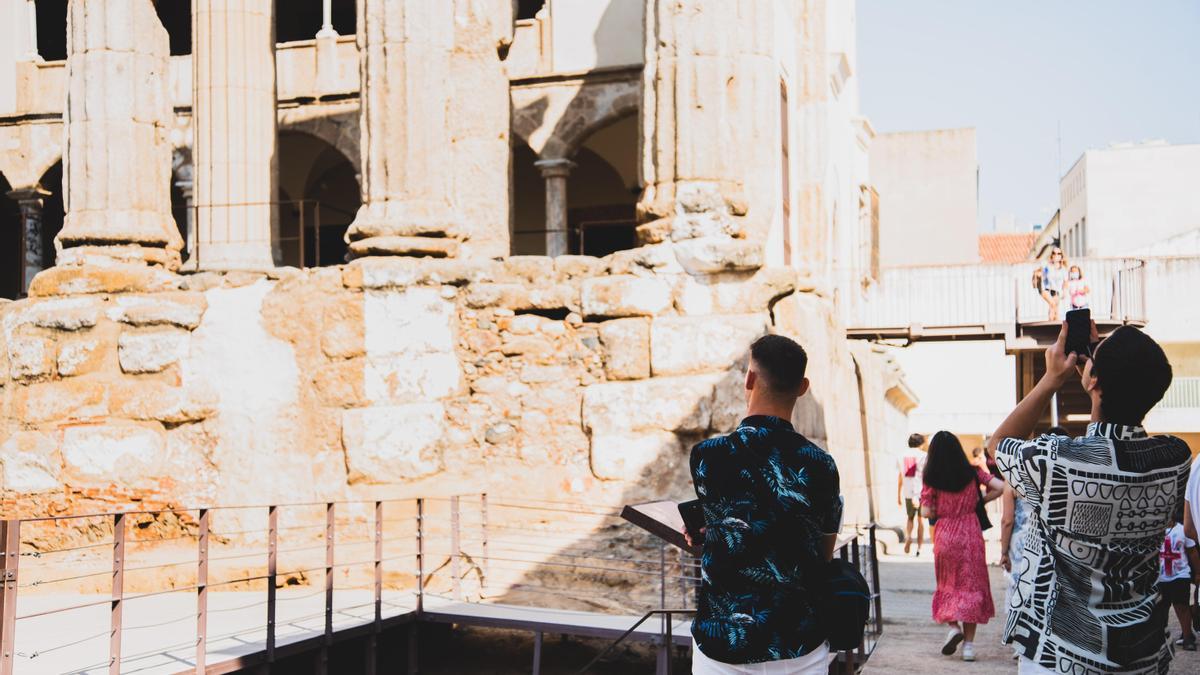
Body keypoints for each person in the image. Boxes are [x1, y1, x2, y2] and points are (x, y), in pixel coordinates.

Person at [988, 322, 1193, 674]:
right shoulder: (1175, 458)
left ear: (1093, 380)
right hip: (1141, 656)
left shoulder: (1055, 461)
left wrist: (1052, 378)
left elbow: (999, 445)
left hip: (1060, 655)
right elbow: (1120, 437)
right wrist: (1102, 370)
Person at [687, 334, 843, 674]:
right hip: (798, 643)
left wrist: (704, 530)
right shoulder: (821, 465)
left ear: (750, 379)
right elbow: (824, 552)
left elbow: (733, 519)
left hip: (724, 642)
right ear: (803, 387)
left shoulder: (707, 456)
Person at [920, 431, 1005, 662]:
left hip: (946, 534)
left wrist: (940, 509)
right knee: (971, 587)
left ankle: (953, 627)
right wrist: (980, 501)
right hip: (970, 533)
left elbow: (927, 511)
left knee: (948, 584)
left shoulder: (931, 477)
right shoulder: (973, 472)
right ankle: (968, 647)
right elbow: (1001, 487)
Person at [999, 425, 1066, 657]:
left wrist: (1003, 551)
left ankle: (1021, 642)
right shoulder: (1066, 477)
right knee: (1050, 586)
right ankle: (1049, 639)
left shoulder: (1016, 477)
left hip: (1023, 541)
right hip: (1055, 539)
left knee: (1021, 586)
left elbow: (1007, 520)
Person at [1159, 503, 1197, 651]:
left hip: (1180, 575)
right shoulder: (1156, 532)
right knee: (1161, 608)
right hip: (1160, 577)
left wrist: (1198, 572)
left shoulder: (1182, 530)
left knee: (1182, 606)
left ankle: (1187, 636)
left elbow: (1192, 552)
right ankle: (1160, 638)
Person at [898, 433, 927, 556]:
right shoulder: (924, 456)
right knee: (921, 520)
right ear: (920, 443)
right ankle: (919, 548)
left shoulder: (901, 456)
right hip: (921, 491)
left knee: (910, 518)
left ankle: (909, 536)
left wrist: (898, 494)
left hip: (908, 492)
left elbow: (900, 476)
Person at [1039, 248, 1068, 321]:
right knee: (1053, 304)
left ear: (1061, 256)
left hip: (1056, 292)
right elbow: (1041, 273)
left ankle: (1054, 326)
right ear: (1051, 255)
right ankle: (1051, 325)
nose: (1056, 255)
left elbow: (1065, 282)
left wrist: (1064, 292)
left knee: (1055, 311)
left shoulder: (1063, 269)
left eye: (1058, 253)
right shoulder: (1047, 266)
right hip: (1047, 290)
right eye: (1054, 253)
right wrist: (1040, 274)